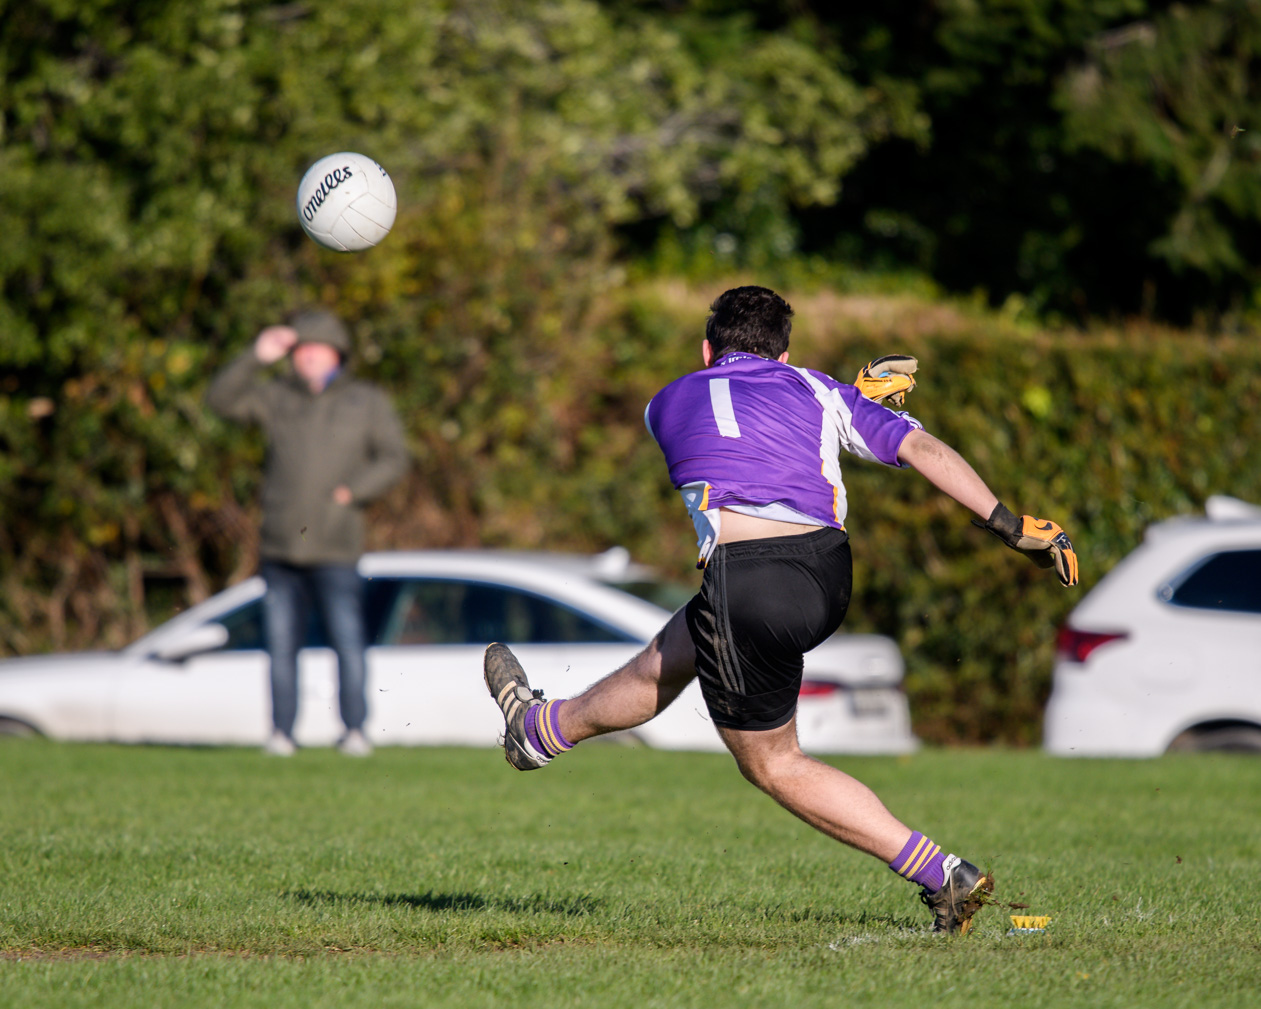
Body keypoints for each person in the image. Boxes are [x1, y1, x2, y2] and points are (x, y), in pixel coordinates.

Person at [484, 285, 1078, 934]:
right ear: (785, 351)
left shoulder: (664, 403)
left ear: (705, 349)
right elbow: (920, 450)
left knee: (772, 762)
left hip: (748, 582)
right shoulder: (817, 389)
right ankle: (540, 731)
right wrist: (1007, 522)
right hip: (825, 575)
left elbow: (730, 432)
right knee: (687, 638)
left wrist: (835, 398)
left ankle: (945, 876)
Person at [207, 309, 409, 757]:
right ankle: (281, 734)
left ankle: (354, 732)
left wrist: (353, 491)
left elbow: (393, 458)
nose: (308, 357)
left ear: (337, 353)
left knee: (347, 641)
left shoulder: (366, 400)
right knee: (280, 646)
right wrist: (256, 356)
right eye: (300, 350)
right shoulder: (276, 396)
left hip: (337, 547)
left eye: (316, 349)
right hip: (281, 546)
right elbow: (220, 400)